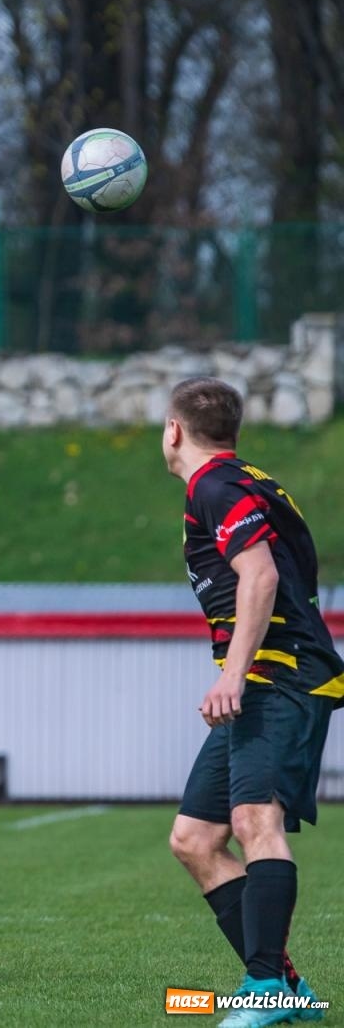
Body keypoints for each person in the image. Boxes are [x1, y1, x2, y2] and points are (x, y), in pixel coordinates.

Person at [162, 376, 333, 1027]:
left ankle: (262, 987)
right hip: (265, 676)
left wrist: (232, 674)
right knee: (194, 839)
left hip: (280, 676)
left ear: (174, 431)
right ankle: (284, 985)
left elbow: (258, 574)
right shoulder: (243, 481)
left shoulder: (216, 486)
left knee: (253, 820)